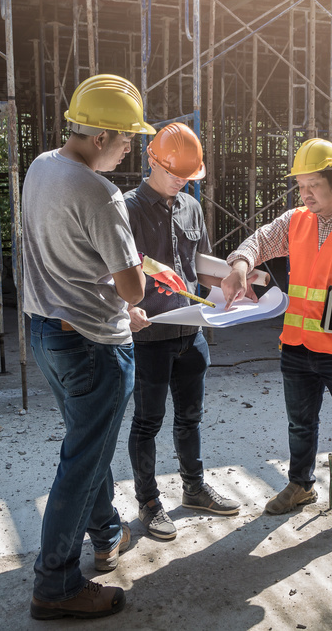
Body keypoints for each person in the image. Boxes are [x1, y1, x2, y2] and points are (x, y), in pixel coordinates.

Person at [22, 74, 160, 620]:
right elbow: (133, 288)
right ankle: (54, 584)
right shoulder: (99, 193)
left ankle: (105, 532)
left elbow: (68, 257)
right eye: (127, 139)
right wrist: (136, 281)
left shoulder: (40, 166)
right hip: (93, 346)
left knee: (88, 443)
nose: (131, 149)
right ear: (100, 136)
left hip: (47, 333)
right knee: (82, 462)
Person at [220, 138, 332, 542]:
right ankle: (301, 485)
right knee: (300, 425)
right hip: (298, 347)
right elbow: (258, 241)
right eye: (300, 187)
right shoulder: (295, 220)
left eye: (313, 187)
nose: (305, 195)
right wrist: (240, 265)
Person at [124, 122, 241, 542]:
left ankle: (193, 489)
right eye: (175, 173)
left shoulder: (191, 207)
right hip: (149, 337)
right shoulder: (127, 209)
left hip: (191, 335)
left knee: (190, 418)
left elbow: (198, 266)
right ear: (152, 160)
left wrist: (237, 281)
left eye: (187, 176)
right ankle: (149, 502)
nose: (180, 181)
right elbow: (108, 274)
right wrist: (126, 308)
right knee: (147, 423)